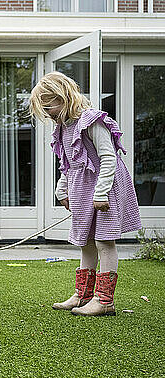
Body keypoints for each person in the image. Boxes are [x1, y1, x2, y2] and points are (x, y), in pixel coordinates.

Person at [29, 71, 142, 316]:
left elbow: (109, 158)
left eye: (50, 106)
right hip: (83, 188)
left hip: (104, 187)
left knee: (103, 240)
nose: (48, 113)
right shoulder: (63, 127)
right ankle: (83, 296)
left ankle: (105, 301)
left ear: (64, 96)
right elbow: (69, 163)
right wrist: (62, 189)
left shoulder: (91, 121)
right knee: (86, 242)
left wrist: (101, 193)